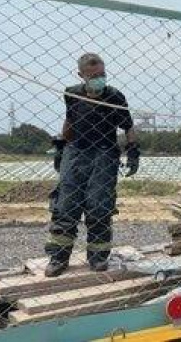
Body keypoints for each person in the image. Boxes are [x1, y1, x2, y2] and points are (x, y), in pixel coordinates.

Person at [44, 53, 139, 277]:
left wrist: (133, 151)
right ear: (82, 75)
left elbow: (128, 127)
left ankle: (97, 257)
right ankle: (58, 257)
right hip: (76, 151)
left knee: (99, 205)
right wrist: (62, 146)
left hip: (104, 153)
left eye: (102, 74)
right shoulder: (72, 94)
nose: (100, 79)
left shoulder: (115, 97)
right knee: (65, 205)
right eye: (94, 75)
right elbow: (70, 120)